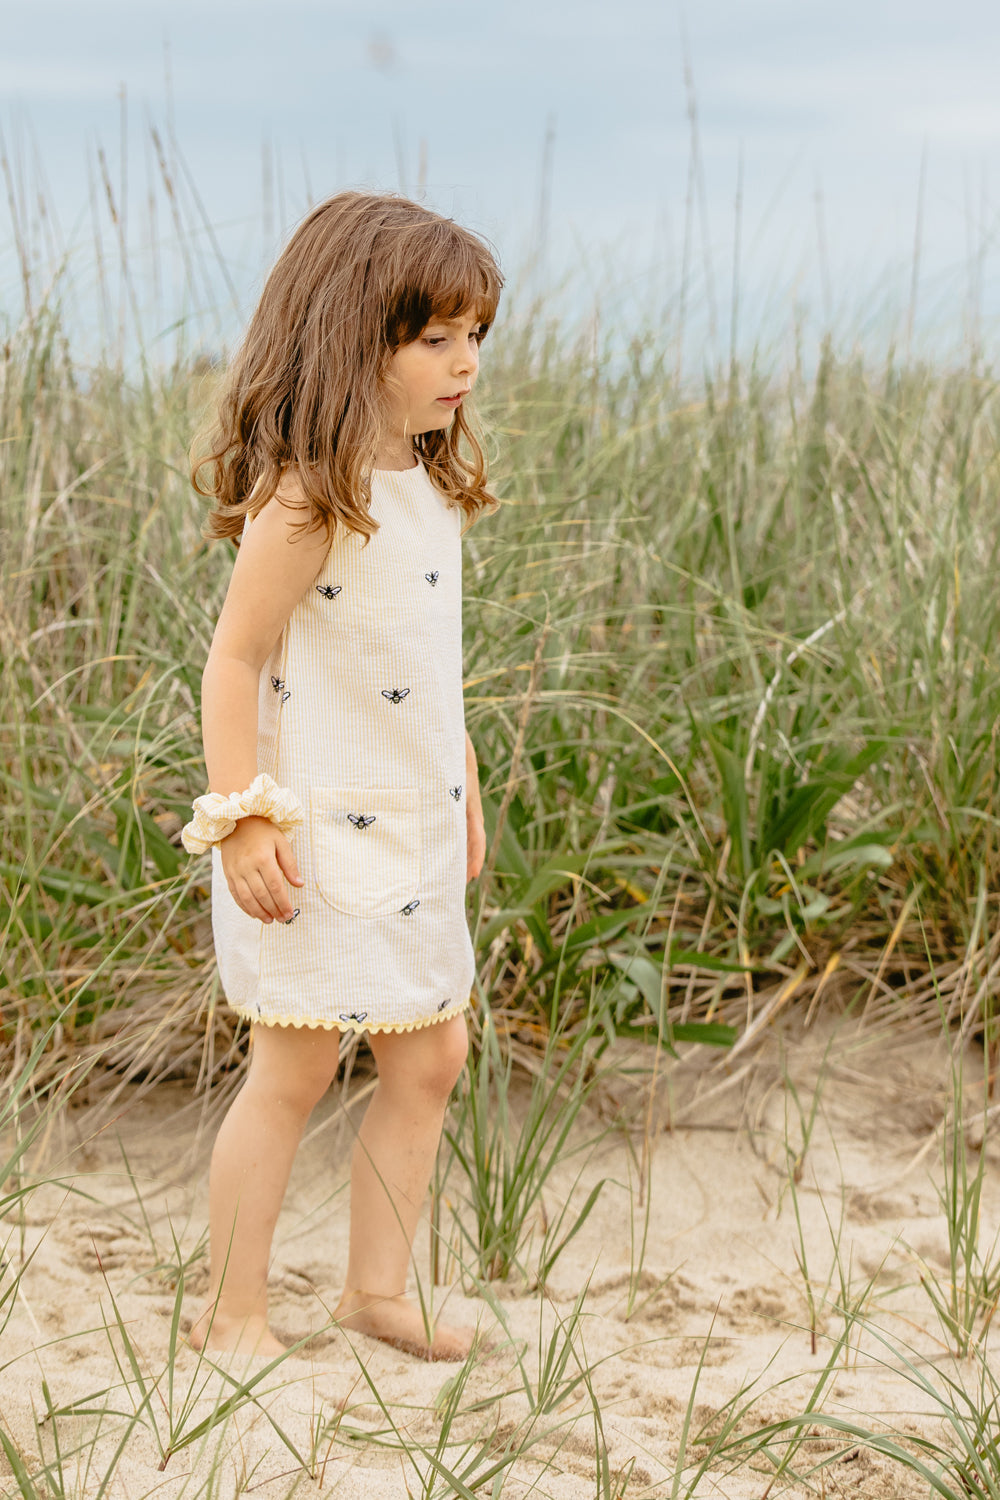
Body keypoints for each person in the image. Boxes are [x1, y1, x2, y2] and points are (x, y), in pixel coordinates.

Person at [180, 191, 503, 1361]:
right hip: (308, 832)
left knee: (431, 1050)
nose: (464, 362)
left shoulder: (426, 484)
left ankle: (376, 1293)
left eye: (475, 336)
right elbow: (234, 660)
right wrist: (242, 819)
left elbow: (423, 663)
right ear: (351, 335)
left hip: (412, 820)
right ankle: (232, 1314)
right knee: (295, 1062)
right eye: (435, 339)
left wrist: (458, 779)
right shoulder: (309, 497)